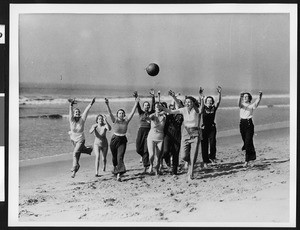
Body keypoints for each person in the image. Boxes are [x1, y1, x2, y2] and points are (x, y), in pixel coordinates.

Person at [159, 88, 204, 180]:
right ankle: (189, 162)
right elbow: (171, 111)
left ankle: (190, 174)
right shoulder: (183, 109)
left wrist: (201, 98)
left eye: (190, 102)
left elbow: (201, 110)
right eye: (186, 102)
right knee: (183, 156)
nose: (188, 103)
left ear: (193, 103)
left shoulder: (196, 110)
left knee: (193, 154)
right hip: (186, 132)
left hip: (195, 132)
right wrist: (163, 108)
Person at [105, 96, 139, 181]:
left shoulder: (126, 120)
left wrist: (136, 103)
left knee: (120, 157)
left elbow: (132, 112)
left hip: (122, 140)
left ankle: (119, 174)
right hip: (114, 139)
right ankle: (115, 168)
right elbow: (110, 113)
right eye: (119, 113)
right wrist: (107, 104)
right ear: (117, 115)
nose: (121, 114)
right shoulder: (115, 120)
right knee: (114, 158)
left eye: (122, 113)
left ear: (124, 115)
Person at [68, 98, 95, 178]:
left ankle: (73, 169)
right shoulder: (71, 120)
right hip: (73, 140)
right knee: (77, 156)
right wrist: (71, 105)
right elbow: (70, 112)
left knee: (75, 153)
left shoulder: (82, 120)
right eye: (76, 112)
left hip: (80, 140)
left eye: (78, 112)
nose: (77, 113)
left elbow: (86, 111)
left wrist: (91, 103)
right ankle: (74, 172)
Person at [162, 90, 184, 175]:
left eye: (177, 104)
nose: (176, 105)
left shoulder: (182, 113)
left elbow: (180, 105)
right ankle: (167, 161)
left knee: (175, 153)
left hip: (177, 134)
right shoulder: (169, 112)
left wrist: (175, 98)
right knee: (165, 151)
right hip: (168, 134)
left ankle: (174, 171)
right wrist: (173, 97)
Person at [238, 91, 263, 167]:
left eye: (246, 97)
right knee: (246, 142)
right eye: (244, 97)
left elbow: (257, 102)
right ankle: (252, 158)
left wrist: (259, 96)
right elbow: (238, 104)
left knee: (248, 142)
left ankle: (247, 160)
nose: (245, 98)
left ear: (249, 98)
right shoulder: (242, 105)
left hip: (249, 124)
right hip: (242, 124)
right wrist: (240, 96)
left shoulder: (251, 105)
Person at [134, 89, 155, 173]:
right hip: (141, 131)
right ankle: (144, 157)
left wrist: (153, 96)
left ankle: (145, 167)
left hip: (149, 132)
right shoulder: (141, 113)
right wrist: (136, 97)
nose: (146, 106)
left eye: (147, 105)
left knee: (146, 149)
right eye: (145, 105)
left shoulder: (151, 113)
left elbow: (154, 105)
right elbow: (137, 105)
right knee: (138, 149)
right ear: (143, 107)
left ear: (149, 107)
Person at [201, 86, 222, 166]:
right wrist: (201, 96)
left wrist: (219, 93)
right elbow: (201, 101)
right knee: (204, 144)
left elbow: (218, 101)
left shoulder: (214, 108)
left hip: (212, 128)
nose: (209, 102)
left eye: (211, 101)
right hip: (204, 128)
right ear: (206, 102)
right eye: (208, 100)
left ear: (212, 102)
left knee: (213, 143)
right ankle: (205, 161)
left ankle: (212, 157)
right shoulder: (203, 108)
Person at [147, 102, 167, 175]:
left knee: (158, 156)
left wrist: (162, 113)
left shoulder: (164, 116)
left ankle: (157, 169)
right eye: (156, 107)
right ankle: (151, 165)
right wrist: (155, 114)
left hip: (160, 138)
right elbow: (149, 117)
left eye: (159, 107)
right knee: (151, 154)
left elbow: (167, 113)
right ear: (155, 108)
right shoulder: (153, 116)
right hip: (151, 137)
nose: (158, 108)